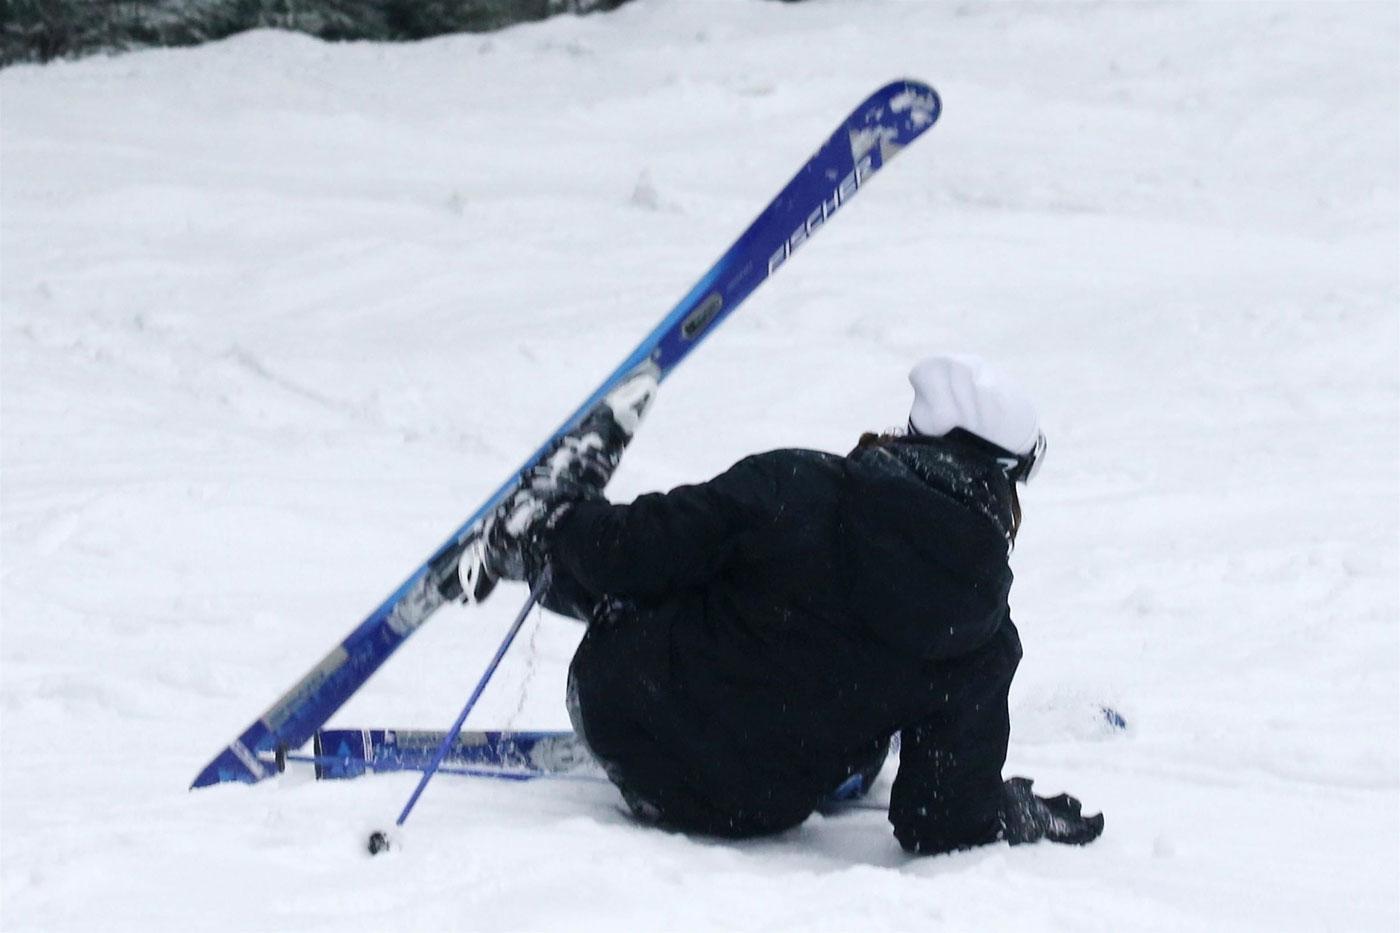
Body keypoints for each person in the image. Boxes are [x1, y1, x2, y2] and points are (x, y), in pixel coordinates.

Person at [461, 354, 1103, 855]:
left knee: (689, 566)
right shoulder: (983, 630)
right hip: (756, 807)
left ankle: (535, 536)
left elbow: (631, 556)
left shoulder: (795, 486)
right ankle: (554, 540)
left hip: (625, 712)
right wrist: (1008, 810)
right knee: (872, 699)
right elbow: (940, 820)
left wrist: (564, 524)